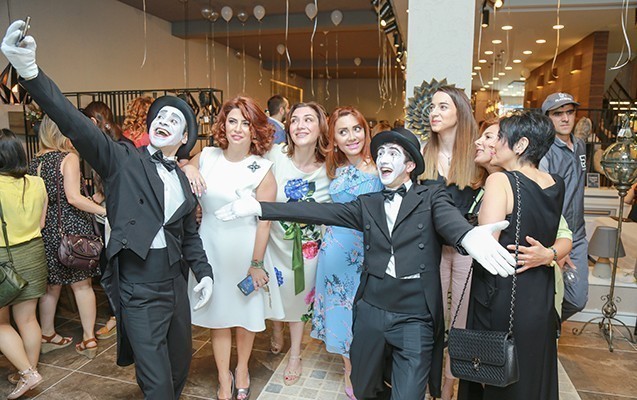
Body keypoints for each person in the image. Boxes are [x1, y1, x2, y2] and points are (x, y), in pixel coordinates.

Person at [216, 126, 516, 400]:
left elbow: (449, 220)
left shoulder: (431, 196)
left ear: (410, 165)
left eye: (393, 153)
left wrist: (467, 236)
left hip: (415, 314)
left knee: (409, 392)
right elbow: (318, 213)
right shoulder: (368, 203)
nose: (383, 158)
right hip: (372, 308)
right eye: (381, 152)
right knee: (363, 387)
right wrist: (259, 207)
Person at [1, 21, 213, 400]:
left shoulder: (183, 179)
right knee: (157, 383)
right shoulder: (123, 160)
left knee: (179, 368)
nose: (164, 121)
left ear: (184, 138)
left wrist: (205, 273)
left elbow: (189, 236)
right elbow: (75, 123)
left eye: (174, 120)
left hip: (175, 285)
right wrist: (30, 72)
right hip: (139, 287)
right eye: (160, 116)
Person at [458, 111, 566, 400]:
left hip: (503, 292)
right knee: (531, 369)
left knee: (495, 372)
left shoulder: (501, 181)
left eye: (501, 138)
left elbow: (486, 244)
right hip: (540, 291)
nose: (494, 145)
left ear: (521, 145)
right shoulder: (556, 183)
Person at [183, 96, 282, 400]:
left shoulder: (263, 169)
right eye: (232, 121)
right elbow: (178, 167)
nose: (238, 128)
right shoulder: (207, 156)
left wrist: (256, 263)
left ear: (255, 129)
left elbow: (264, 223)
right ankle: (223, 376)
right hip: (211, 245)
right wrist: (188, 167)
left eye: (245, 123)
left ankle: (242, 369)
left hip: (247, 249)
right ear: (224, 125)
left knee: (245, 316)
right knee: (219, 316)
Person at [313, 106, 382, 399]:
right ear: (334, 139)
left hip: (370, 251)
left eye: (356, 128)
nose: (351, 136)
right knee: (341, 311)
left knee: (368, 313)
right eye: (343, 131)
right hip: (336, 252)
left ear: (366, 131)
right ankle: (349, 369)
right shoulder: (335, 170)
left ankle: (372, 367)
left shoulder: (381, 165)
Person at [420, 86, 484, 400]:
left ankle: (448, 384)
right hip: (431, 247)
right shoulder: (423, 152)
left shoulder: (477, 152)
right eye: (432, 107)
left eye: (443, 106)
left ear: (460, 111)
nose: (434, 112)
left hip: (466, 249)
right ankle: (429, 381)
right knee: (429, 317)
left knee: (461, 321)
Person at [28, 115, 105, 360]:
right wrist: (104, 211)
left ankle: (47, 335)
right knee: (82, 285)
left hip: (46, 228)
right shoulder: (68, 158)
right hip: (72, 229)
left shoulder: (36, 161)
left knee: (51, 286)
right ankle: (89, 338)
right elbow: (73, 197)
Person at [266, 102, 331, 386]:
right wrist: (189, 166)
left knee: (299, 298)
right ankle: (275, 327)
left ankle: (295, 354)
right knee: (273, 291)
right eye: (294, 120)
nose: (300, 125)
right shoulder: (274, 155)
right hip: (273, 241)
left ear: (320, 127)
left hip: (308, 248)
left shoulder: (331, 167)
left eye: (308, 120)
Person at [0, 129, 48, 399]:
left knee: (0, 324)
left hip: (3, 258)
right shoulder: (37, 183)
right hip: (34, 252)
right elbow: (41, 223)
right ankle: (27, 371)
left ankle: (28, 373)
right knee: (28, 319)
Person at [539, 92, 588, 320]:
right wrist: (558, 244)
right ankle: (545, 336)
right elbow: (544, 199)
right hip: (555, 236)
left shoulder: (580, 146)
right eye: (558, 114)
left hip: (578, 236)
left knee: (577, 299)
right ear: (547, 118)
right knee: (548, 296)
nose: (566, 118)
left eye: (569, 112)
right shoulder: (544, 151)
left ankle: (550, 330)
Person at [80, 101, 123, 340]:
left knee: (114, 268)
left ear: (92, 122)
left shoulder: (113, 146)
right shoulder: (108, 143)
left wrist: (101, 197)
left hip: (117, 216)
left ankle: (118, 316)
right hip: (113, 214)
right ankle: (118, 314)